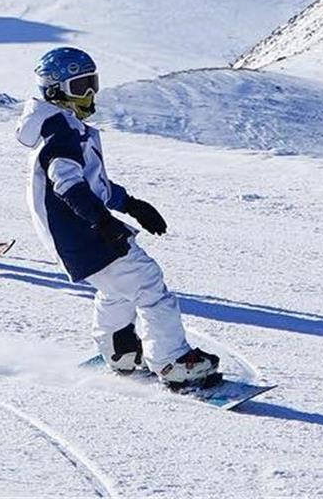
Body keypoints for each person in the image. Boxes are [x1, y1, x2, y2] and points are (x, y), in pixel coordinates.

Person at [15, 47, 219, 386]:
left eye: (92, 83)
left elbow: (94, 184)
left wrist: (131, 204)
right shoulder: (59, 130)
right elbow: (67, 183)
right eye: (80, 86)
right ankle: (171, 361)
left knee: (116, 288)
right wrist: (103, 221)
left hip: (72, 234)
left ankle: (119, 351)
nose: (90, 94)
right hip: (82, 230)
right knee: (148, 283)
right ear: (54, 91)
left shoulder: (62, 125)